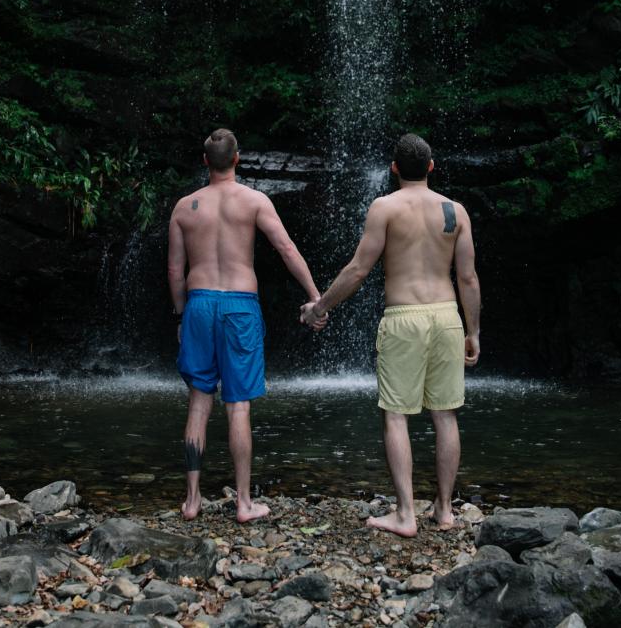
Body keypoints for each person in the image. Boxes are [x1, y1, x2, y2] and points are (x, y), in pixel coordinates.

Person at [301, 133, 481, 537]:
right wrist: (474, 331)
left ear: (394, 168)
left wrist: (320, 307)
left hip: (404, 318)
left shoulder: (385, 207)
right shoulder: (455, 211)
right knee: (446, 414)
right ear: (432, 166)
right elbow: (467, 277)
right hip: (446, 315)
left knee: (396, 415)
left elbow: (358, 270)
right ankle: (445, 509)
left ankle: (404, 513)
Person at [168, 128, 327, 522]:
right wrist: (315, 297)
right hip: (240, 306)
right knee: (238, 407)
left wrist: (179, 314)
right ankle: (243, 503)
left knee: (199, 404)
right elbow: (287, 249)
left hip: (200, 304)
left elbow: (175, 269)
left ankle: (192, 501)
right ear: (237, 158)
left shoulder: (185, 207)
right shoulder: (254, 201)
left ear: (206, 161)